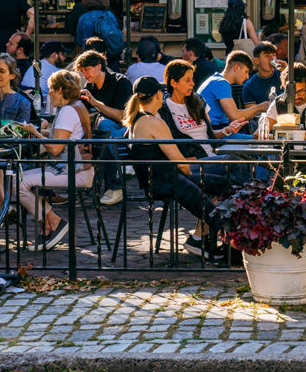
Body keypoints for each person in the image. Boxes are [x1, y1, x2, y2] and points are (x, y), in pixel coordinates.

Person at [124, 76, 227, 260]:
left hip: (159, 181)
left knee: (219, 184)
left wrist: (188, 173)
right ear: (158, 95)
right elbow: (180, 162)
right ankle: (228, 240)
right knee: (222, 184)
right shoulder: (153, 122)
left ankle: (204, 239)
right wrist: (188, 173)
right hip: (167, 182)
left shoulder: (136, 121)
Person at [18, 70, 95, 251]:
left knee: (17, 183)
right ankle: (48, 224)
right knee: (18, 178)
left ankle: (54, 222)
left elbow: (54, 148)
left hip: (74, 172)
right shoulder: (76, 106)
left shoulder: (68, 111)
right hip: (73, 168)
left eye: (51, 89)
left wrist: (35, 133)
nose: (49, 94)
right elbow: (63, 137)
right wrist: (42, 132)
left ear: (60, 89)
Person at [75, 49, 133, 206]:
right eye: (82, 71)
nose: (84, 74)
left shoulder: (121, 82)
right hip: (109, 135)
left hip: (127, 130)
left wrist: (95, 103)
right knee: (104, 131)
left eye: (87, 69)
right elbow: (81, 109)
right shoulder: (90, 86)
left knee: (104, 127)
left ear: (99, 66)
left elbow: (123, 117)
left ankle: (115, 187)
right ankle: (118, 179)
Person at [161, 59, 248, 160]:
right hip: (194, 160)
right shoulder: (164, 109)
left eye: (192, 79)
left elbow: (210, 134)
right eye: (187, 80)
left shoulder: (198, 102)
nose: (192, 84)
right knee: (235, 161)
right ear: (173, 83)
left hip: (211, 156)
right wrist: (180, 160)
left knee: (244, 158)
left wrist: (226, 130)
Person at [197, 50, 270, 132]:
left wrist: (260, 110)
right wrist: (261, 107)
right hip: (216, 131)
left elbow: (237, 117)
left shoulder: (216, 80)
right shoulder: (221, 83)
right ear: (236, 67)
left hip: (216, 129)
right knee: (262, 139)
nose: (247, 77)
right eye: (246, 72)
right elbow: (234, 116)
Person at [242, 41, 285, 107]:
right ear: (257, 61)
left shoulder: (282, 76)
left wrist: (287, 71)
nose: (272, 59)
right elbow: (251, 111)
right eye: (267, 56)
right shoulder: (249, 85)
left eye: (273, 55)